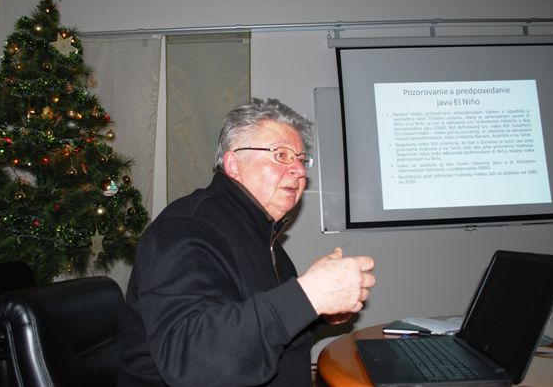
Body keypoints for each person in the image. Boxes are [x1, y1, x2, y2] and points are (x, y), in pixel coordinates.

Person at [117, 98, 375, 387]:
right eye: (281, 155)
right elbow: (194, 359)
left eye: (301, 160)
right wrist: (309, 295)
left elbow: (256, 324)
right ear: (233, 164)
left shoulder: (261, 233)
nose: (300, 171)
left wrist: (319, 310)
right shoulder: (186, 229)